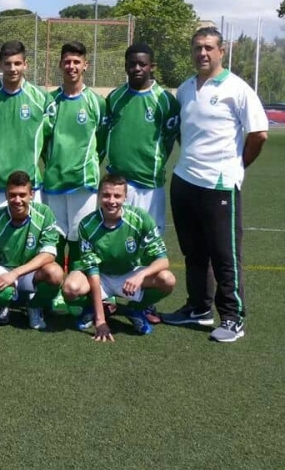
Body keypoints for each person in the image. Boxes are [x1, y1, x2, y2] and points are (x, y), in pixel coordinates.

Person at [160, 27, 268, 343]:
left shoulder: (237, 89)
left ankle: (233, 318)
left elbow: (258, 134)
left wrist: (238, 165)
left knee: (224, 255)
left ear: (221, 51)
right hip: (184, 181)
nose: (202, 53)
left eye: (208, 47)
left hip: (219, 185)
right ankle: (198, 308)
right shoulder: (184, 89)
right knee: (193, 253)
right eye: (197, 48)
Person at [62, 174, 176, 341]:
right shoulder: (87, 225)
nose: (111, 201)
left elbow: (163, 259)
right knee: (70, 288)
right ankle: (92, 308)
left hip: (129, 274)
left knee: (167, 279)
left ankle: (136, 309)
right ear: (99, 196)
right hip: (100, 276)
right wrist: (100, 321)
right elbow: (92, 271)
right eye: (106, 195)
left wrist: (141, 275)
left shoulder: (140, 219)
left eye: (117, 196)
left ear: (125, 197)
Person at [42, 42, 107, 270]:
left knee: (81, 237)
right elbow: (42, 141)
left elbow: (103, 139)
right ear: (60, 64)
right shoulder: (49, 101)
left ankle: (76, 292)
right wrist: (53, 164)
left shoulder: (96, 102)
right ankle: (56, 289)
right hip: (54, 180)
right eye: (67, 62)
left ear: (85, 65)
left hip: (84, 182)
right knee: (55, 238)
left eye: (76, 62)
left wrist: (87, 163)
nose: (71, 66)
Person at [0, 41, 55, 216]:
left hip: (28, 183)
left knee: (29, 238)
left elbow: (48, 135)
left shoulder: (41, 98)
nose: (12, 68)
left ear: (25, 64)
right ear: (0, 64)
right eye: (8, 63)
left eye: (17, 63)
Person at [0, 171, 64, 333]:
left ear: (31, 194)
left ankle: (34, 306)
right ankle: (0, 306)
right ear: (6, 195)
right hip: (2, 268)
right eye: (12, 195)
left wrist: (15, 274)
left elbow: (49, 254)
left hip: (30, 272)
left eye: (22, 195)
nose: (17, 200)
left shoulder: (44, 214)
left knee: (56, 273)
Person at [105, 43, 180, 235]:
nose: (136, 68)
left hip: (149, 185)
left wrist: (154, 163)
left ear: (151, 66)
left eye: (142, 64)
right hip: (118, 184)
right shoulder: (115, 97)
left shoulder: (164, 100)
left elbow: (170, 140)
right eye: (132, 64)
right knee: (117, 239)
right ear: (125, 66)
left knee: (150, 240)